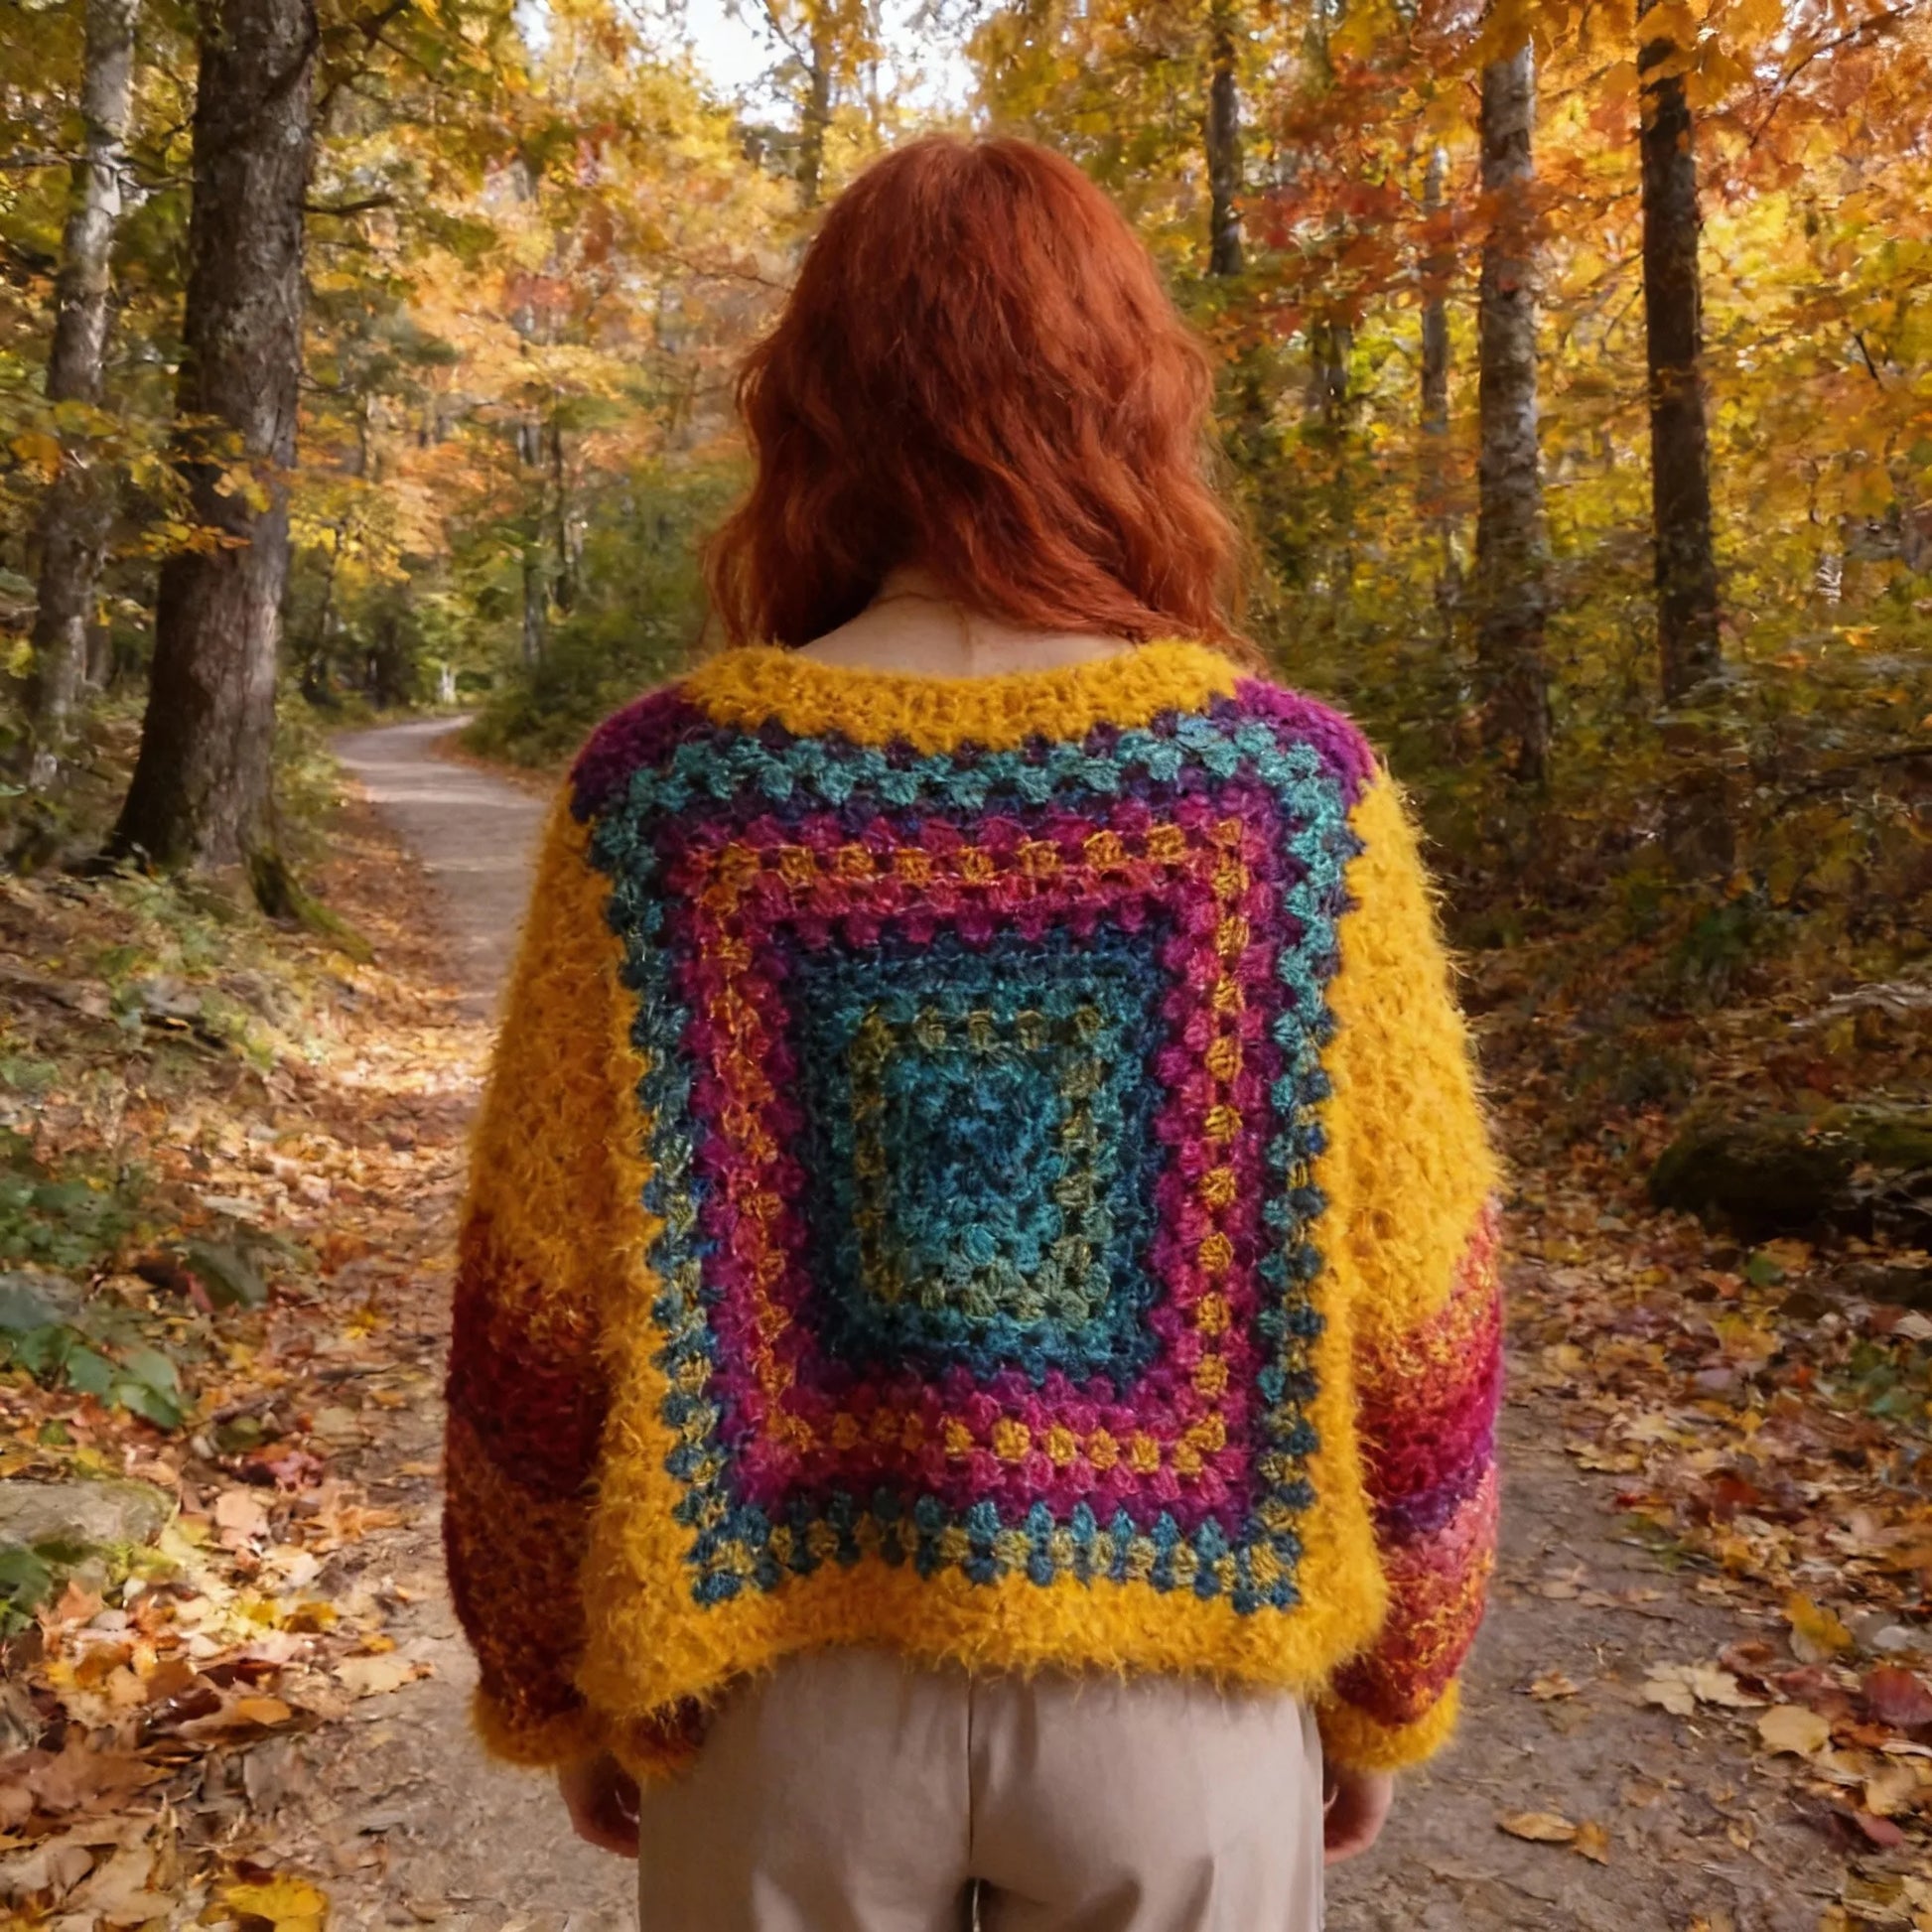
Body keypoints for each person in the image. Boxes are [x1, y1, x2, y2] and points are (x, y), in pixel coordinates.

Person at [444, 134, 1501, 1932]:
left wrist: (548, 1671)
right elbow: (1418, 1304)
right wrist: (1394, 1679)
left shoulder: (671, 797)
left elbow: (543, 1302)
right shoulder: (1283, 800)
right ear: (1126, 399)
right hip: (1180, 1698)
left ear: (814, 410)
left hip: (778, 1692)